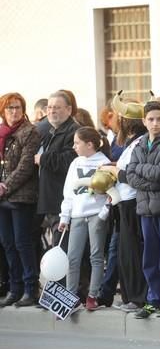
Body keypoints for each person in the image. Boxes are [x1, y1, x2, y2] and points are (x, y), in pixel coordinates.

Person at [127, 100, 160, 319]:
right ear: (144, 121)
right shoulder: (139, 144)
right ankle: (153, 298)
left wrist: (143, 173)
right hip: (145, 209)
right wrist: (148, 177)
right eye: (151, 119)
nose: (155, 123)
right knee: (149, 255)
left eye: (159, 119)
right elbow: (130, 174)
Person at [100, 93, 148, 312]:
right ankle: (131, 296)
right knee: (125, 252)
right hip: (125, 203)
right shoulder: (134, 142)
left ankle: (137, 298)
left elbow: (132, 174)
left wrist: (112, 170)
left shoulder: (138, 142)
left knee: (132, 253)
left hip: (131, 202)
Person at [58, 127, 112, 309]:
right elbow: (68, 191)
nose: (74, 146)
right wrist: (64, 216)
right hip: (78, 214)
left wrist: (104, 212)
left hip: (96, 214)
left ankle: (92, 296)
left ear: (89, 144)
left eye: (77, 143)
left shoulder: (104, 162)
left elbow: (110, 192)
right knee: (72, 257)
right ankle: (70, 296)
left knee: (96, 256)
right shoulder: (75, 163)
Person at [0, 93, 41, 307]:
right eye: (9, 108)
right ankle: (14, 288)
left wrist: (5, 185)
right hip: (2, 198)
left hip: (22, 196)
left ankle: (30, 288)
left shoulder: (30, 131)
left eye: (17, 107)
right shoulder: (1, 133)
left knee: (22, 242)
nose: (13, 112)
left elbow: (26, 166)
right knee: (7, 243)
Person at [35, 91, 79, 243]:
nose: (52, 111)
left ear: (68, 109)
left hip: (61, 201)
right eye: (49, 107)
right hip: (48, 199)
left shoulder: (74, 131)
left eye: (57, 107)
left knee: (62, 246)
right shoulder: (50, 131)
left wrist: (43, 158)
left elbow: (69, 161)